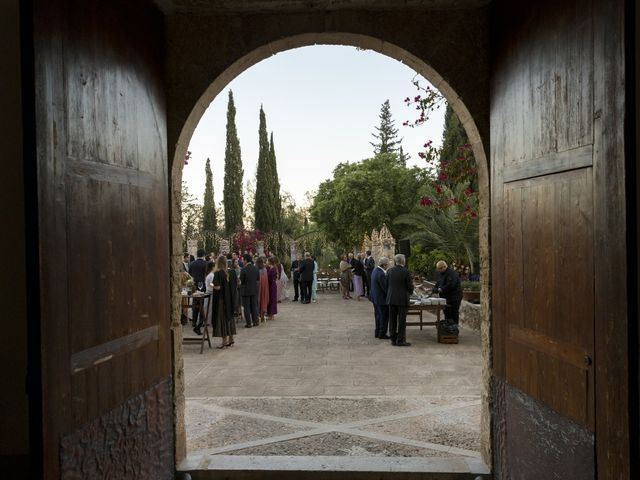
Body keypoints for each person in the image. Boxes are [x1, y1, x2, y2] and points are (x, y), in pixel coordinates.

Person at [386, 254, 414, 346]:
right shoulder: (406, 272)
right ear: (403, 261)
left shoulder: (389, 271)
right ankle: (400, 340)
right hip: (402, 299)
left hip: (391, 298)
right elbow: (409, 286)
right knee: (402, 321)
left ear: (395, 261)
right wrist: (411, 291)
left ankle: (393, 339)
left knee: (392, 320)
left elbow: (387, 284)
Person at [210, 255, 238, 348]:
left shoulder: (218, 273)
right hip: (230, 300)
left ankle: (224, 341)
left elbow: (218, 287)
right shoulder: (232, 272)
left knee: (222, 319)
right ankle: (231, 339)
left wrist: (211, 285)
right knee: (229, 318)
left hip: (221, 300)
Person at [434, 260, 463, 325]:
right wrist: (434, 289)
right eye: (438, 269)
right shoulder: (441, 274)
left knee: (454, 313)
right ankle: (447, 329)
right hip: (446, 298)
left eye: (440, 269)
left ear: (444, 267)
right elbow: (438, 283)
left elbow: (450, 285)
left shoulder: (451, 274)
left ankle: (454, 330)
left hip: (455, 297)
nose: (438, 270)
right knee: (446, 313)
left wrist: (440, 289)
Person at [370, 256, 390, 339]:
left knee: (378, 315)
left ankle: (377, 332)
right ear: (384, 265)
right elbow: (385, 288)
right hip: (381, 298)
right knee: (383, 316)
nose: (388, 266)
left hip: (375, 297)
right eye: (387, 264)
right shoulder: (381, 274)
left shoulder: (375, 271)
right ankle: (382, 333)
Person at [188, 249, 208, 333]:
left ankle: (193, 321)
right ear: (203, 255)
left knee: (195, 304)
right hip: (203, 286)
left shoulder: (192, 264)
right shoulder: (206, 264)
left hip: (194, 286)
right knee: (201, 305)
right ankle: (201, 321)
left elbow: (190, 275)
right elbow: (206, 275)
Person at [239, 254, 260, 328]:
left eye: (243, 259)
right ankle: (255, 321)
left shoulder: (244, 269)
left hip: (245, 290)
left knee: (247, 307)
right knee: (254, 306)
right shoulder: (255, 268)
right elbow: (258, 279)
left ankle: (248, 323)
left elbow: (241, 280)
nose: (242, 261)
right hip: (254, 289)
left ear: (245, 260)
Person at [257, 256, 269, 323]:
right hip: (264, 287)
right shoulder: (265, 270)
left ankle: (258, 315)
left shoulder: (257, 269)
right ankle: (263, 315)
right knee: (263, 299)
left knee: (259, 299)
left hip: (258, 287)